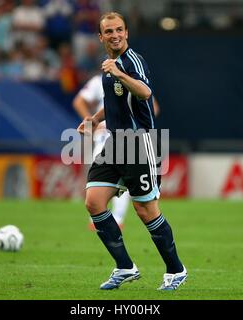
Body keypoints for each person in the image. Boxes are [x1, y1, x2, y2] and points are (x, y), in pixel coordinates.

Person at [76, 12, 186, 291]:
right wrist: (95, 120)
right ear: (101, 37)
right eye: (109, 31)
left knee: (146, 210)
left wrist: (119, 73)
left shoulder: (131, 62)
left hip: (139, 144)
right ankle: (125, 266)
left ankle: (176, 270)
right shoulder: (110, 65)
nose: (115, 35)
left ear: (126, 33)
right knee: (93, 202)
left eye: (119, 30)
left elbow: (145, 92)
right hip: (115, 143)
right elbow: (115, 103)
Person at [73, 73, 160, 230]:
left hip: (127, 137)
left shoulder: (132, 81)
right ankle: (98, 218)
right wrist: (91, 120)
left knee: (124, 179)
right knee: (98, 175)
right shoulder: (98, 81)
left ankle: (117, 218)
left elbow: (153, 106)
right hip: (103, 136)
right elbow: (79, 101)